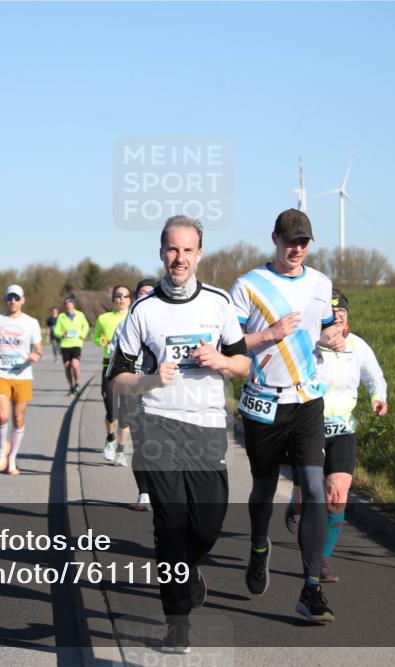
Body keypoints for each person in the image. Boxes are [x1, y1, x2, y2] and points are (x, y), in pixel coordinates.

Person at [110, 216, 250, 653]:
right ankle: (177, 622)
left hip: (207, 427)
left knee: (207, 526)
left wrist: (221, 362)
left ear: (200, 254)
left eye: (188, 250)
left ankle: (188, 571)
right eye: (172, 249)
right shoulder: (143, 311)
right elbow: (117, 380)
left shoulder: (219, 303)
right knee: (169, 525)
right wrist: (151, 380)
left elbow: (244, 365)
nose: (179, 258)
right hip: (159, 426)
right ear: (161, 252)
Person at [229, 208, 344, 624]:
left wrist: (333, 336)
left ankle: (310, 589)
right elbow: (229, 346)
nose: (296, 248)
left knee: (313, 487)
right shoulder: (248, 286)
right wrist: (269, 335)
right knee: (263, 486)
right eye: (289, 240)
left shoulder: (320, 283)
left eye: (303, 242)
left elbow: (330, 326)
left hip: (308, 400)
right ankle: (259, 546)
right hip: (263, 401)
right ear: (274, 238)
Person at [284, 288, 388, 584]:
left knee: (336, 495)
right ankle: (297, 499)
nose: (337, 321)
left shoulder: (358, 347)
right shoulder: (308, 347)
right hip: (308, 429)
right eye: (331, 316)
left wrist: (379, 397)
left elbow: (374, 377)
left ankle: (323, 558)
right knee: (310, 496)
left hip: (343, 430)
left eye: (341, 315)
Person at [106, 277, 158, 510]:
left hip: (161, 390)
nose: (145, 297)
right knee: (141, 442)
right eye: (141, 294)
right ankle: (144, 493)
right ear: (136, 298)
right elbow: (116, 363)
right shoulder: (125, 325)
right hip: (134, 388)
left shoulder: (165, 323)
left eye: (150, 293)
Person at [0, 284, 43, 476]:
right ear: (5, 300)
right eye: (10, 298)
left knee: (18, 418)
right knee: (2, 415)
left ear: (23, 300)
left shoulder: (31, 323)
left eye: (16, 298)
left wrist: (36, 355)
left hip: (23, 376)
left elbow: (39, 348)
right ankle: (2, 449)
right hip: (1, 373)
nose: (13, 301)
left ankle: (13, 458)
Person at [95, 286, 133, 466]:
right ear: (113, 299)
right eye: (118, 296)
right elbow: (96, 338)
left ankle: (121, 450)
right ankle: (110, 438)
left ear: (130, 299)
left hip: (129, 370)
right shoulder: (104, 318)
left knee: (125, 414)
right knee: (112, 412)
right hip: (109, 367)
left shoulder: (135, 317)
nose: (121, 299)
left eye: (125, 296)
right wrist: (100, 340)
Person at [53, 296, 90, 395]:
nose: (69, 308)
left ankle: (77, 383)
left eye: (70, 305)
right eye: (67, 306)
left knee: (75, 364)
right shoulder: (61, 316)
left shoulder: (80, 315)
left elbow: (86, 326)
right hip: (65, 345)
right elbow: (56, 330)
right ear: (65, 306)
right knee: (67, 366)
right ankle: (71, 386)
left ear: (73, 305)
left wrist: (82, 335)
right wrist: (61, 334)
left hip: (76, 343)